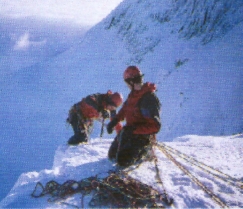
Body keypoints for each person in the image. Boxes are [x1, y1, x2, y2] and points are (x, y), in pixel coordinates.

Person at [106, 66, 161, 167]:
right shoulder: (133, 95)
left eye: (127, 83)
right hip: (129, 133)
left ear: (131, 82)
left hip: (141, 136)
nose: (127, 85)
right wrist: (114, 121)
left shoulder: (148, 98)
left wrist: (134, 130)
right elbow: (125, 110)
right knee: (112, 155)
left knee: (122, 162)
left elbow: (155, 127)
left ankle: (146, 151)